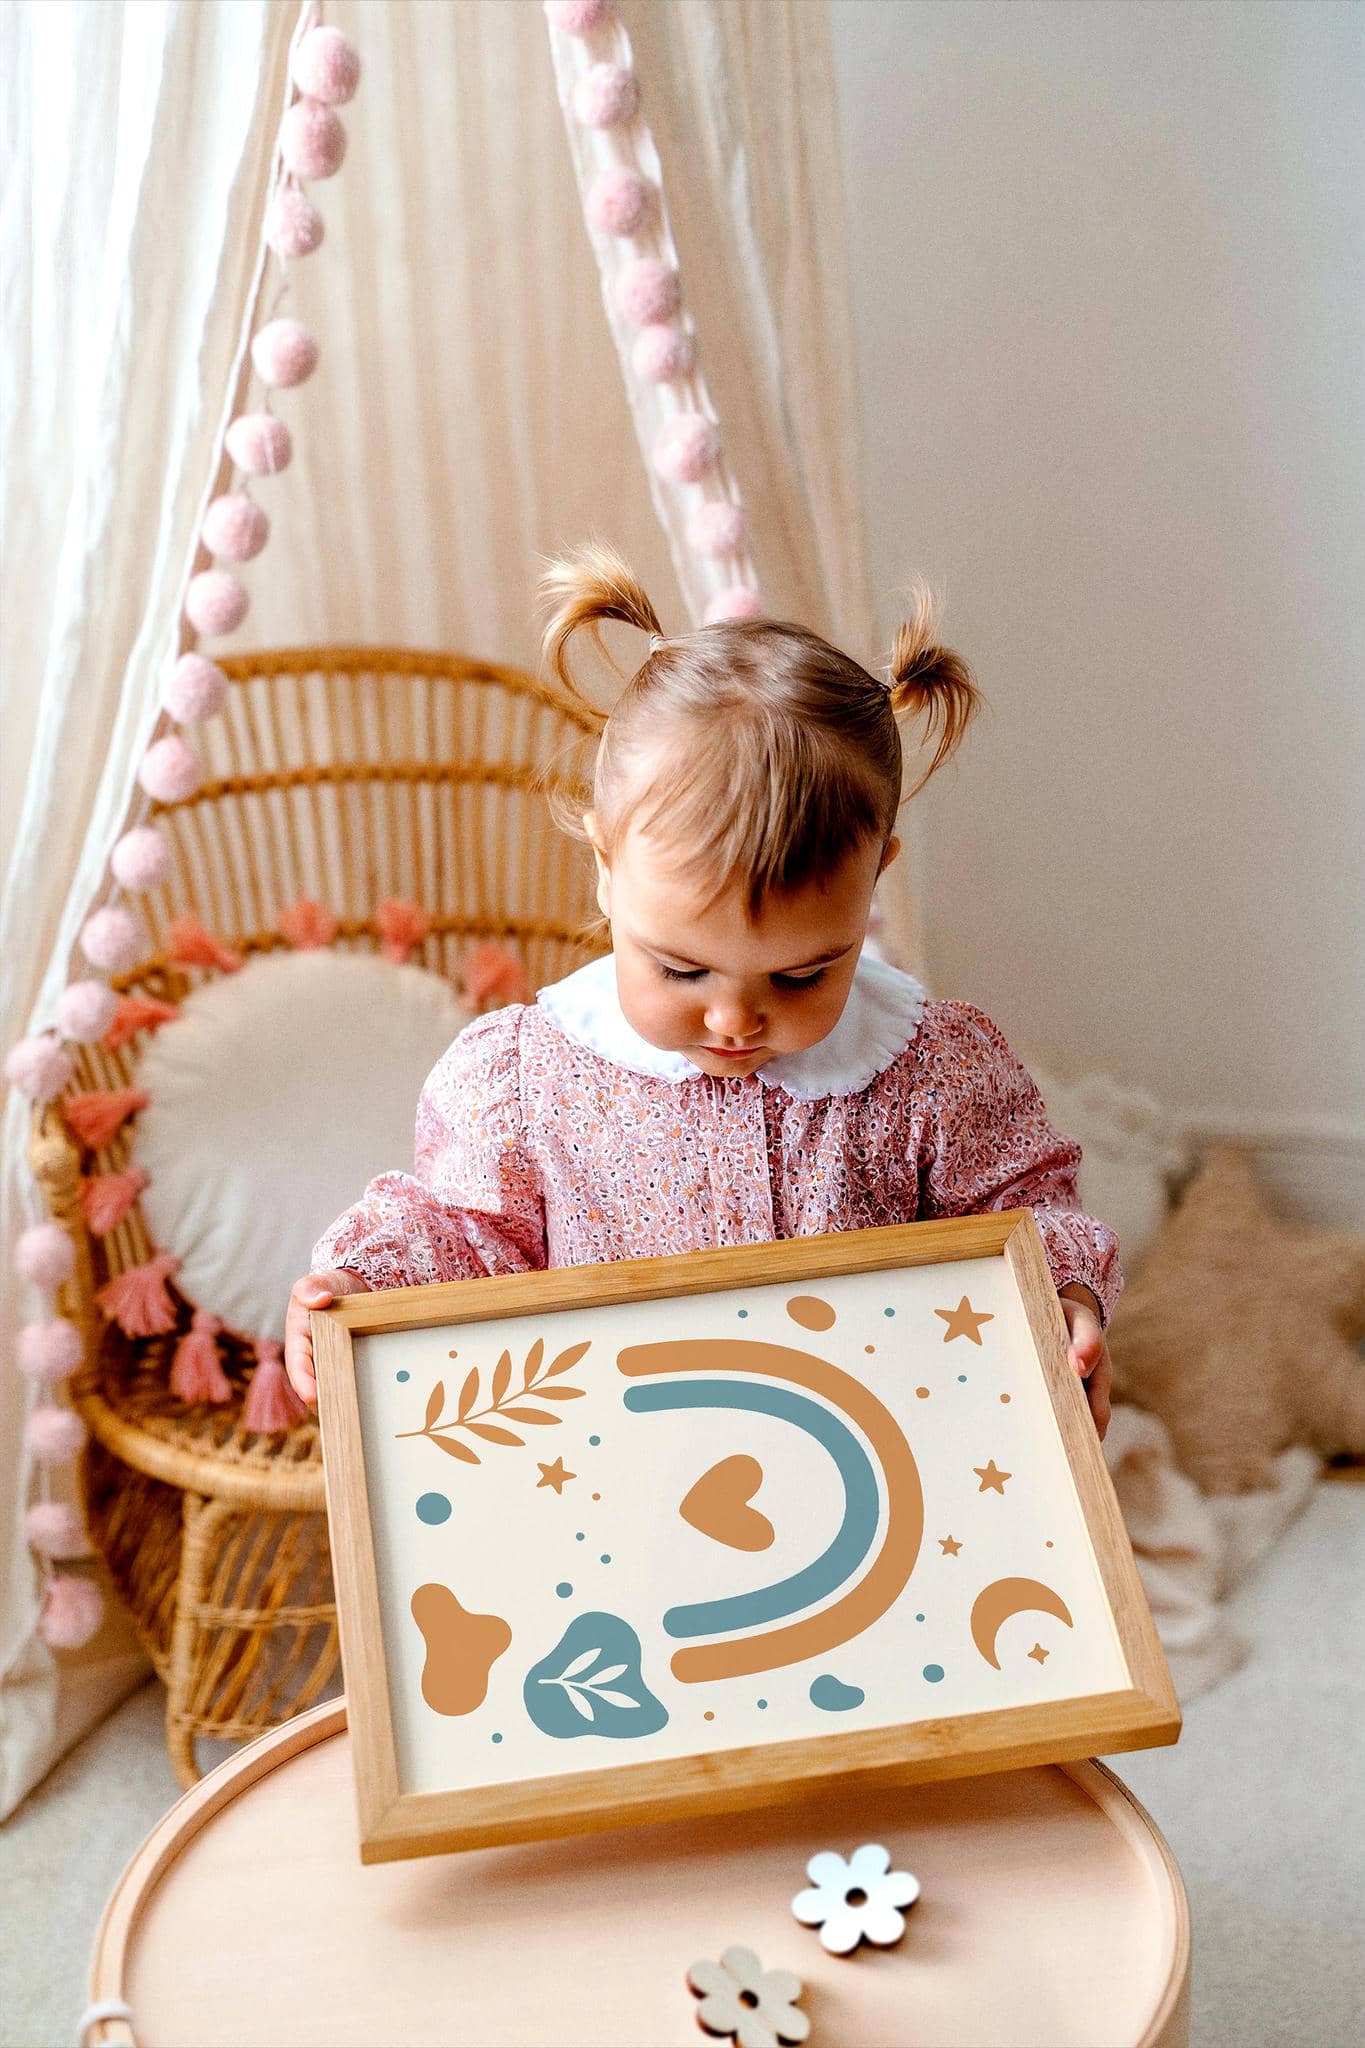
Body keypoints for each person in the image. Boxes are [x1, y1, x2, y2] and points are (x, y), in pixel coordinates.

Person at [285, 543, 1117, 1435]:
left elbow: (1020, 1211)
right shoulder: (524, 1082)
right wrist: (360, 1282)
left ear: (874, 877)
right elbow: (464, 1233)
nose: (734, 1019)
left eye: (801, 975)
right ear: (605, 866)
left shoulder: (931, 1071)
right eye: (681, 969)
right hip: (618, 1463)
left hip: (881, 1456)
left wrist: (1063, 1294)